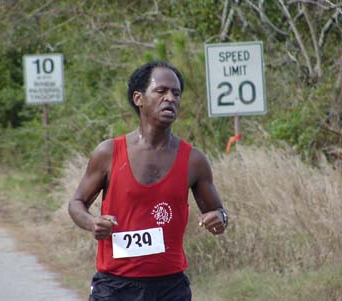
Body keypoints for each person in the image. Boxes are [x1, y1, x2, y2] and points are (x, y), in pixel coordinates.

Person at [68, 60, 228, 301]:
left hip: (169, 288)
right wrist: (92, 222)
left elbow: (218, 212)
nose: (171, 99)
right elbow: (76, 202)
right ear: (138, 98)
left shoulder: (194, 160)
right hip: (114, 287)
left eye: (176, 93)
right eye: (161, 91)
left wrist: (220, 218)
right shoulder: (109, 153)